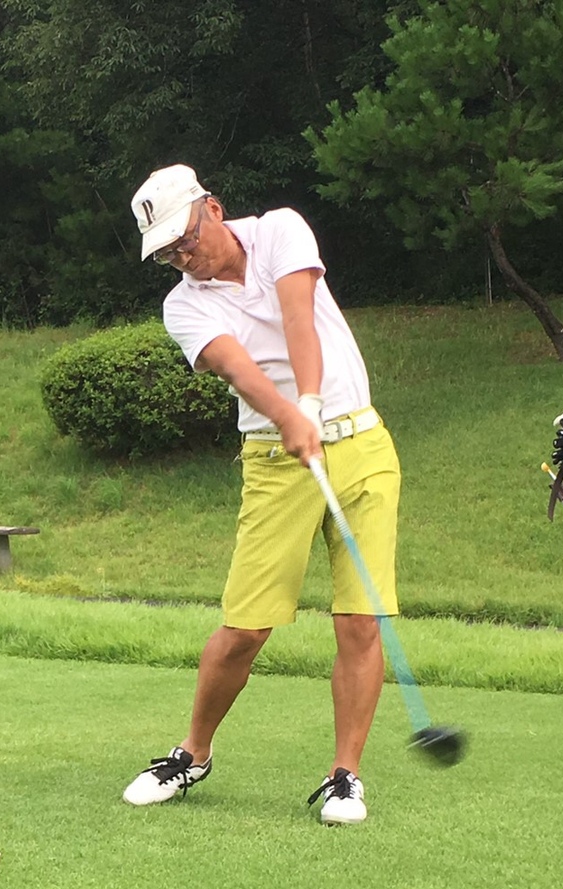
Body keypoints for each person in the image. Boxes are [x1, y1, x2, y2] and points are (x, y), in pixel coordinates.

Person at [122, 164, 401, 824]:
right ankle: (193, 753)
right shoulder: (183, 306)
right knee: (246, 627)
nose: (182, 257)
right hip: (276, 459)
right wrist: (290, 419)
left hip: (361, 445)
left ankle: (345, 775)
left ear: (213, 209)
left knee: (359, 620)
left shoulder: (281, 230)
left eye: (186, 239)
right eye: (167, 252)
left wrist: (311, 405)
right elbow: (240, 370)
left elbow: (300, 318)